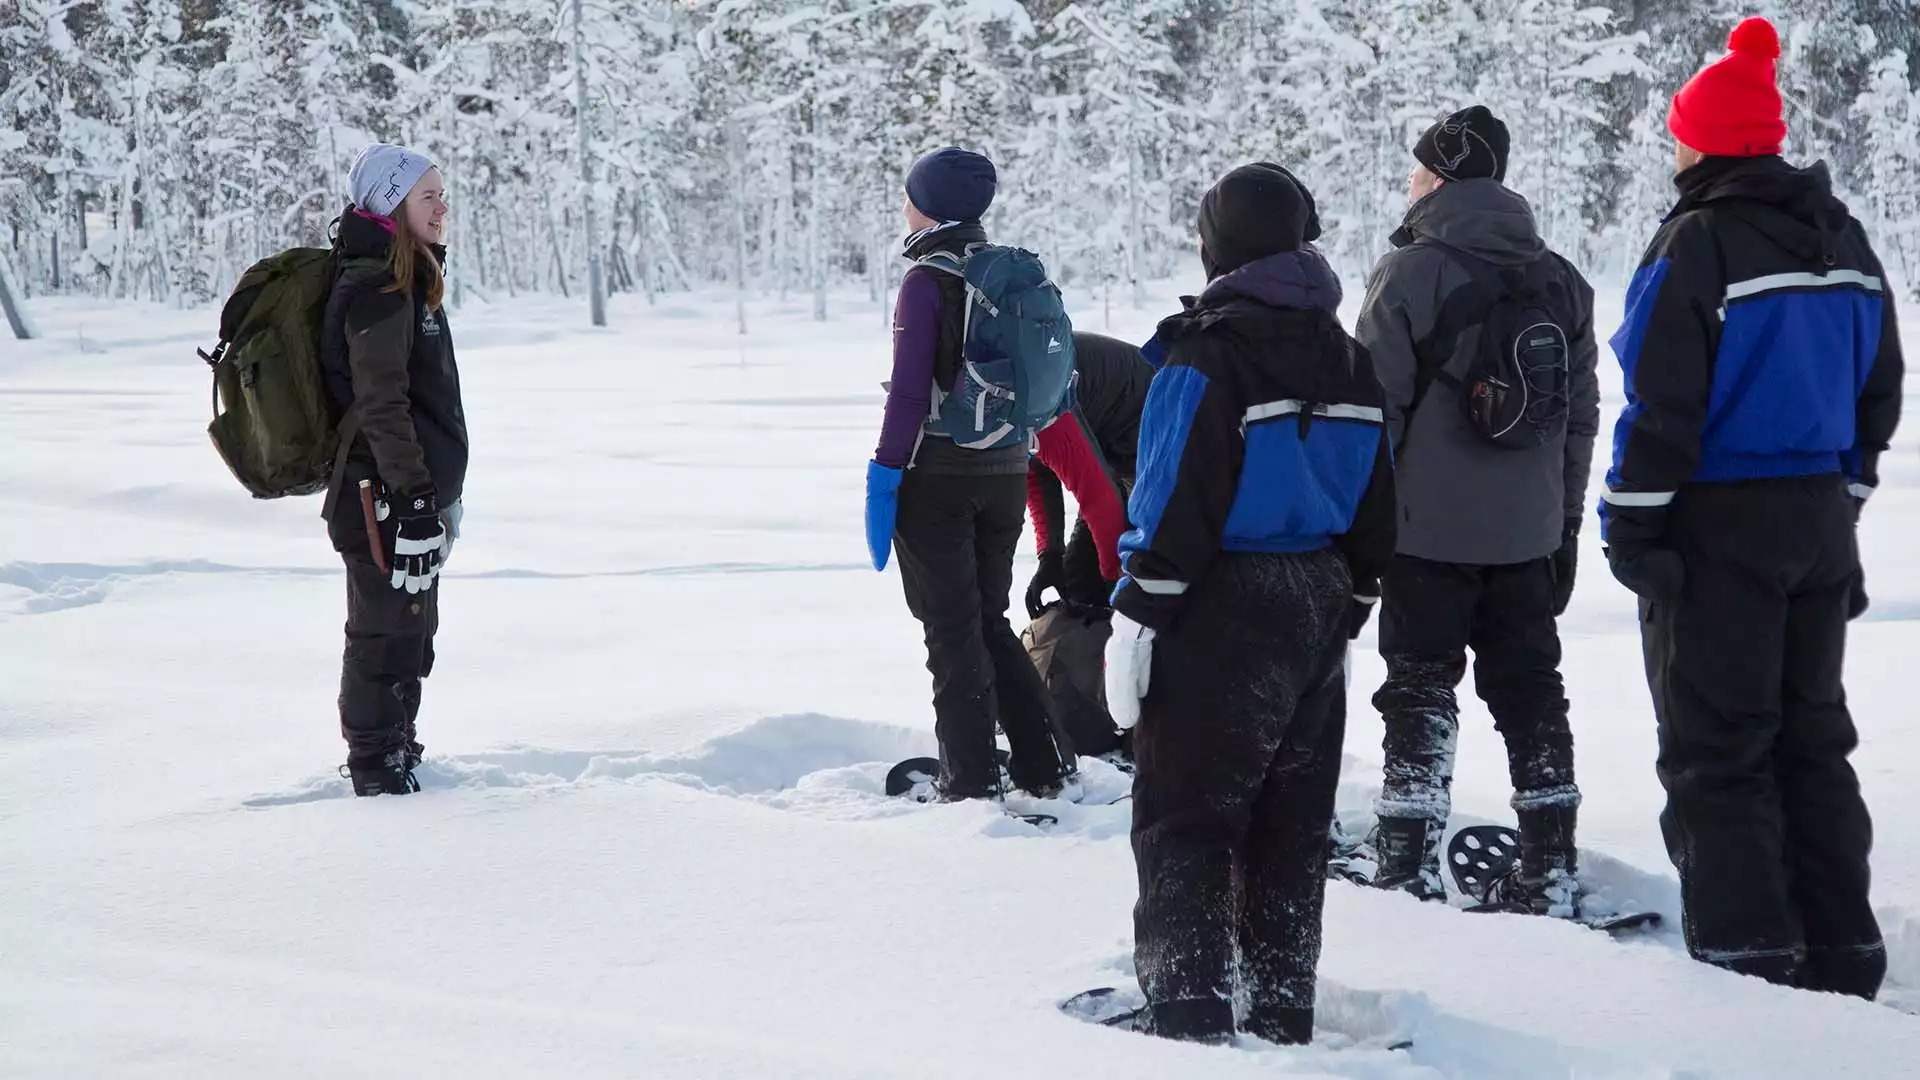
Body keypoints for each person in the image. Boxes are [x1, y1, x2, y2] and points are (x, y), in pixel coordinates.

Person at [1603, 16, 1902, 998]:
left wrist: (1633, 522)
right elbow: (1883, 383)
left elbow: (1662, 397)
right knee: (1811, 737)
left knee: (1717, 752)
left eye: (1680, 131)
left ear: (1706, 142)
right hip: (1818, 521)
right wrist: (1844, 491)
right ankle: (1844, 954)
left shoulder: (1698, 239)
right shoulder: (1844, 234)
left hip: (1721, 524)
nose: (1673, 145)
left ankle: (1750, 977)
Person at [1104, 163, 1395, 1044]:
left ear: (1218, 246)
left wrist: (1137, 608)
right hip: (1319, 596)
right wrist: (1353, 595)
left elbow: (1172, 496)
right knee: (1291, 823)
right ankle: (1280, 1006)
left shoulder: (1205, 356)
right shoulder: (1350, 357)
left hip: (1217, 597)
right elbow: (1382, 501)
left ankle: (1187, 1014)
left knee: (1186, 815)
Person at [1348, 105, 1600, 913]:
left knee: (1419, 690)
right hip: (1527, 535)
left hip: (1426, 533)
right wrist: (1563, 525)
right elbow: (1580, 417)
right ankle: (1550, 862)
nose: (1411, 180)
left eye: (1420, 168)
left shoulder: (1411, 273)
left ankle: (1405, 863)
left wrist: (1365, 528)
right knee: (1533, 691)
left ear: (1443, 176)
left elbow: (1373, 411)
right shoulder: (1561, 277)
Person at [864, 147, 1076, 801]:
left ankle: (971, 779)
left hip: (939, 474)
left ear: (928, 205)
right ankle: (1045, 763)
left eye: (909, 196)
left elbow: (907, 393)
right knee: (986, 619)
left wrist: (884, 473)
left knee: (950, 629)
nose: (905, 206)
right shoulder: (1005, 273)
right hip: (1009, 468)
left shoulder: (928, 281)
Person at [319, 143, 469, 797]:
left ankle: (397, 748)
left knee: (409, 626)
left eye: (442, 193)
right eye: (426, 196)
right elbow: (381, 404)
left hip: (402, 495)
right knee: (384, 629)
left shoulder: (406, 282)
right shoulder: (378, 288)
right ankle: (377, 771)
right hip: (378, 497)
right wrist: (410, 499)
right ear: (391, 204)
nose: (442, 206)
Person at [1024, 331, 1154, 617]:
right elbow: (1036, 474)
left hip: (1151, 435)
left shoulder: (1040, 404)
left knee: (1144, 572)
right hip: (1108, 450)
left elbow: (1100, 499)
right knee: (1079, 581)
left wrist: (1116, 580)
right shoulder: (1000, 413)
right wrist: (1050, 555)